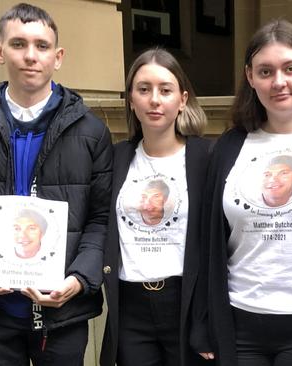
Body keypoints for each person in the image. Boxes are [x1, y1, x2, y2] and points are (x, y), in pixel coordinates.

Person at [0, 2, 113, 365]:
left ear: (58, 57)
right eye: (18, 44)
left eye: (41, 46)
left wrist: (79, 279)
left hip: (64, 314)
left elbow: (101, 219)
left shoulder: (91, 132)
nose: (30, 56)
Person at [199, 19, 292, 366]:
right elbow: (207, 240)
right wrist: (205, 322)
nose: (278, 82)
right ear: (250, 77)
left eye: (289, 68)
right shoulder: (230, 146)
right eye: (265, 71)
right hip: (240, 321)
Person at [100, 47, 212, 366]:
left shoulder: (207, 158)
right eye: (144, 89)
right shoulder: (115, 158)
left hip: (185, 303)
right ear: (131, 100)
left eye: (165, 90)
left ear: (183, 99)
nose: (154, 100)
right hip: (130, 306)